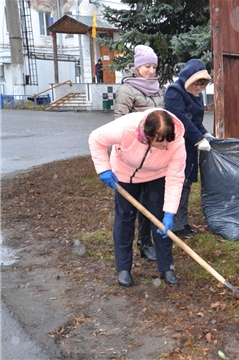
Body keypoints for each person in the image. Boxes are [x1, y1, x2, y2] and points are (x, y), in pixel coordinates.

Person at [88, 108, 186, 287]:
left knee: (160, 222)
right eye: (160, 141)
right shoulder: (126, 129)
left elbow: (175, 178)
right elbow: (95, 138)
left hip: (157, 175)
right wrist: (103, 168)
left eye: (168, 140)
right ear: (147, 136)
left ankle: (166, 267)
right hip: (124, 174)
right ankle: (123, 268)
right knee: (125, 218)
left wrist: (170, 212)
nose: (166, 145)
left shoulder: (177, 143)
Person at [113, 44, 165, 262]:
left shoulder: (156, 88)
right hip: (133, 155)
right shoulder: (127, 90)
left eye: (153, 66)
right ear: (137, 67)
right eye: (146, 66)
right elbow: (119, 123)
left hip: (155, 154)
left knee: (151, 202)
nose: (151, 71)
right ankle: (125, 257)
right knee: (129, 208)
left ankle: (145, 242)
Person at [164, 59, 213, 238]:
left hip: (190, 146)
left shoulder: (196, 95)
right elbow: (181, 119)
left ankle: (182, 222)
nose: (198, 87)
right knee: (177, 183)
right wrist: (199, 139)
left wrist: (205, 134)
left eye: (202, 84)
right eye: (196, 83)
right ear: (188, 79)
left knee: (186, 184)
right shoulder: (174, 92)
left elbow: (196, 121)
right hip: (174, 145)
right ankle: (175, 224)